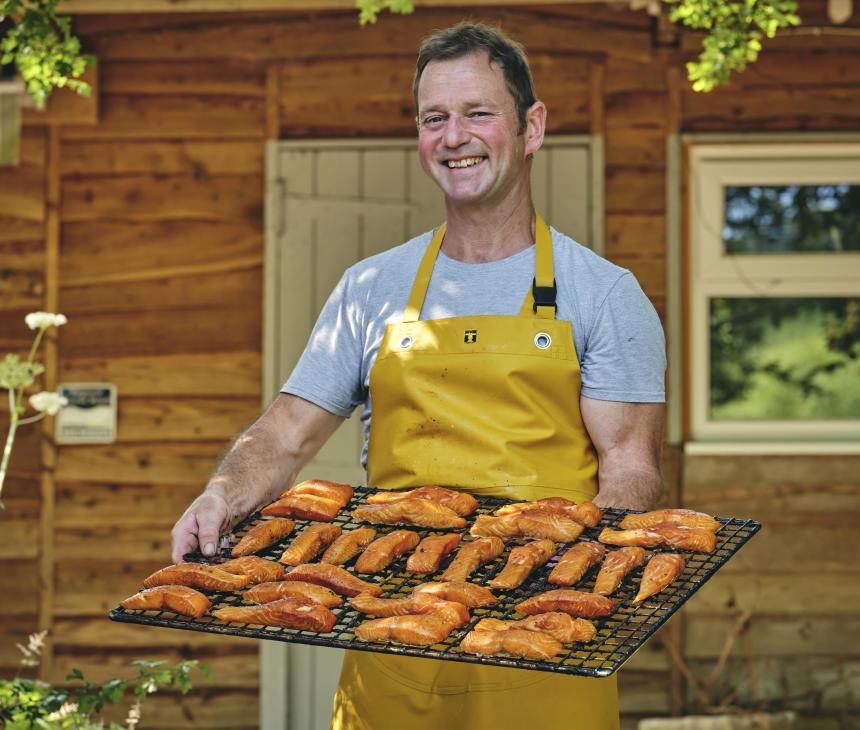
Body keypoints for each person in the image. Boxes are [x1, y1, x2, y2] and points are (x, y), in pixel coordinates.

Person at [171, 21, 666, 730]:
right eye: (435, 118)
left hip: (540, 642)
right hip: (393, 632)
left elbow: (630, 465)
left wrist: (585, 566)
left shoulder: (604, 293)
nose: (454, 136)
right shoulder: (372, 286)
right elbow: (283, 434)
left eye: (478, 113)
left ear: (531, 127)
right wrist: (221, 493)